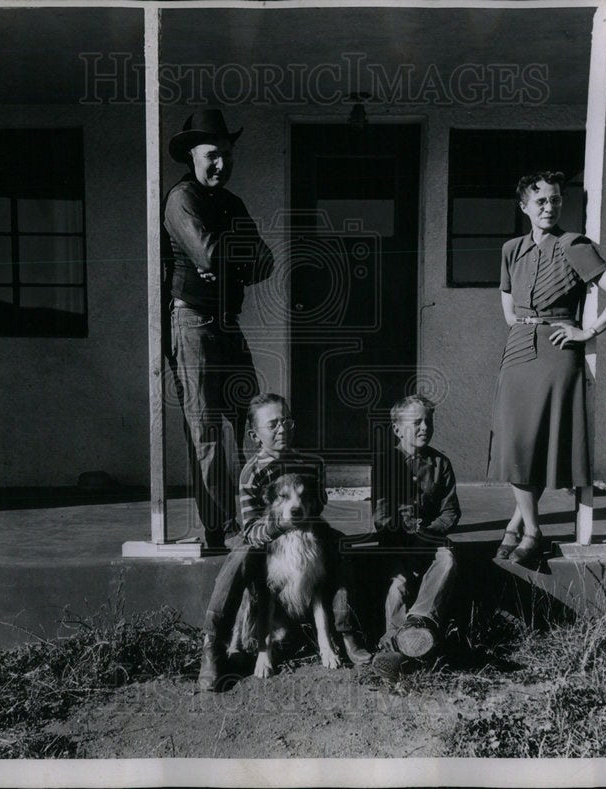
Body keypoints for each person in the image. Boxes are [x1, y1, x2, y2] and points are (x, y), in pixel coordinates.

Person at [488, 171, 606, 564]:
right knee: (518, 444)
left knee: (537, 444)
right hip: (519, 350)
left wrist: (588, 330)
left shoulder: (575, 245)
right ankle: (517, 527)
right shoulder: (511, 249)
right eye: (540, 201)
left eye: (555, 200)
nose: (549, 207)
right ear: (524, 207)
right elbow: (507, 304)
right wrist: (525, 329)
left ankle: (530, 532)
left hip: (557, 354)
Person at [198, 393, 371, 692]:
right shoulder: (251, 472)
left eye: (287, 421)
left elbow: (318, 507)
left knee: (340, 545)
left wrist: (303, 522)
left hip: (305, 531)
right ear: (255, 435)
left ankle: (345, 633)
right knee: (239, 556)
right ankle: (213, 645)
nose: (283, 429)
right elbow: (251, 529)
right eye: (273, 424)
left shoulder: (312, 463)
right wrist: (281, 524)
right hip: (265, 537)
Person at [164, 108, 274, 550]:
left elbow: (263, 262)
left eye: (227, 156)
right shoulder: (181, 199)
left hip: (228, 325)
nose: (221, 165)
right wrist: (227, 260)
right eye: (212, 155)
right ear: (192, 155)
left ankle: (248, 522)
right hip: (193, 324)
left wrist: (225, 264)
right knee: (206, 430)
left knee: (249, 422)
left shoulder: (232, 204)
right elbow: (205, 255)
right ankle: (216, 531)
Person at [370, 395, 460, 682]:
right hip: (396, 543)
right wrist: (407, 533)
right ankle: (397, 645)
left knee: (446, 557)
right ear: (397, 429)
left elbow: (451, 511)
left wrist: (429, 532)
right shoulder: (386, 464)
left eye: (428, 421)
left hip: (429, 540)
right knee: (398, 586)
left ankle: (417, 623)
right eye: (416, 422)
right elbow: (382, 517)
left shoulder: (440, 463)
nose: (424, 427)